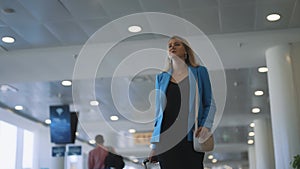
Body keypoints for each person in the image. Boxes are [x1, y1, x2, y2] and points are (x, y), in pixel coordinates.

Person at [148, 36, 216, 169]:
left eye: (177, 44)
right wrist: (154, 146)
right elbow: (159, 115)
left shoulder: (199, 72)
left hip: (190, 139)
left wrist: (206, 126)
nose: (172, 47)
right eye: (170, 45)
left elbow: (209, 104)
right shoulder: (161, 78)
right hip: (166, 141)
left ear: (186, 51)